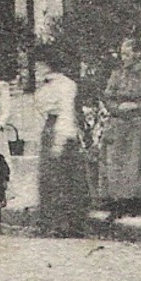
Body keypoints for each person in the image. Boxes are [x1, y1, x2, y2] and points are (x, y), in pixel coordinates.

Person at [100, 38, 141, 217]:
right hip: (120, 122)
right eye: (122, 54)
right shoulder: (117, 74)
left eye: (127, 54)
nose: (123, 58)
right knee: (118, 161)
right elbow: (108, 97)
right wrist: (118, 108)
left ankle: (140, 201)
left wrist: (137, 107)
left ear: (138, 54)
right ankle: (121, 201)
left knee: (140, 161)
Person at [32, 44, 89, 237]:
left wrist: (59, 141)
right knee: (50, 179)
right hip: (50, 128)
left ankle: (67, 225)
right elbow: (41, 109)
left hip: (62, 131)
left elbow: (66, 114)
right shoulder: (46, 85)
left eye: (38, 64)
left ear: (47, 63)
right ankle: (51, 224)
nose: (36, 68)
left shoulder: (65, 84)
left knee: (64, 180)